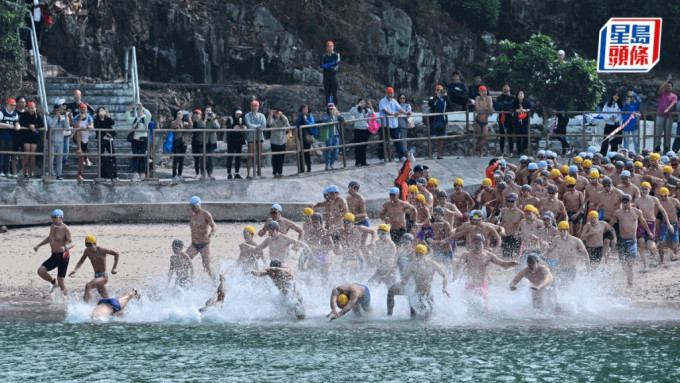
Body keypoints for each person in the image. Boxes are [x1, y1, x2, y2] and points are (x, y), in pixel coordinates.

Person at [453, 234, 517, 309]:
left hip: (481, 286)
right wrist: (455, 276)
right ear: (473, 243)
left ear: (483, 243)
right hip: (469, 285)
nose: (477, 245)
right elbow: (457, 267)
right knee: (467, 308)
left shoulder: (489, 256)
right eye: (475, 243)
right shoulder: (466, 255)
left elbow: (502, 264)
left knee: (485, 308)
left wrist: (511, 263)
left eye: (479, 243)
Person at [393, 244, 450, 318]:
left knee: (428, 318)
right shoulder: (413, 265)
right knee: (413, 317)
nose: (418, 256)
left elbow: (445, 276)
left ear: (425, 254)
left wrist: (444, 288)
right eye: (417, 254)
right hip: (416, 295)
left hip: (428, 294)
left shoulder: (432, 264)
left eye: (420, 254)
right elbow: (405, 280)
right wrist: (399, 288)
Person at [608, 193, 653, 286]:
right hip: (622, 240)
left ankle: (630, 282)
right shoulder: (618, 213)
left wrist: (649, 232)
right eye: (623, 202)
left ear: (631, 202)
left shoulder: (637, 212)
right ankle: (629, 275)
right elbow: (610, 225)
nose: (625, 204)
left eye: (626, 201)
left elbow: (644, 222)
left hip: (632, 241)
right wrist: (605, 234)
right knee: (623, 264)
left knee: (630, 264)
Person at [32, 209, 73, 297]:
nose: (53, 219)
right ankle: (54, 283)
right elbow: (49, 238)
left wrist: (65, 248)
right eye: (52, 217)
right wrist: (38, 245)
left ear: (61, 217)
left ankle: (67, 299)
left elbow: (72, 243)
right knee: (41, 271)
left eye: (55, 217)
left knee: (61, 282)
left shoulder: (66, 229)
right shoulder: (52, 227)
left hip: (63, 256)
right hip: (54, 255)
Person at [68, 235, 120, 302]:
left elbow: (116, 254)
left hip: (103, 276)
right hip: (96, 276)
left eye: (90, 245)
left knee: (88, 286)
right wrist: (75, 270)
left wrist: (114, 268)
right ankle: (116, 302)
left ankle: (84, 305)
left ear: (95, 243)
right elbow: (81, 261)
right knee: (106, 298)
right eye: (86, 245)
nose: (88, 247)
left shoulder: (102, 250)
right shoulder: (87, 251)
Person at [247, 221, 311, 263]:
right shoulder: (268, 240)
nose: (268, 232)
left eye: (269, 230)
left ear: (274, 230)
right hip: (272, 264)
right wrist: (246, 246)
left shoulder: (284, 238)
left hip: (282, 265)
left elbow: (298, 242)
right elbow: (257, 248)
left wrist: (308, 249)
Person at [186, 196, 217, 280]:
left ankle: (216, 282)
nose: (192, 207)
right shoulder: (192, 214)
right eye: (191, 205)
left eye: (194, 206)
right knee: (184, 261)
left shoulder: (205, 214)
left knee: (207, 267)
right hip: (194, 244)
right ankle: (186, 280)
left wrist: (210, 236)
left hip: (204, 244)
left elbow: (214, 226)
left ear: (199, 205)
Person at [379, 87, 410, 161]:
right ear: (386, 93)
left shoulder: (394, 101)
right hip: (385, 125)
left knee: (397, 141)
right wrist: (393, 114)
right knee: (383, 141)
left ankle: (401, 156)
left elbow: (399, 109)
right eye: (389, 93)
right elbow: (385, 111)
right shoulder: (382, 101)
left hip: (394, 125)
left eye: (391, 93)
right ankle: (382, 157)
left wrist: (406, 113)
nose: (390, 95)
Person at [16, 101, 42, 178]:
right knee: (26, 153)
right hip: (26, 136)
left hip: (34, 136)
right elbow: (21, 123)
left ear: (35, 108)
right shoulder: (24, 115)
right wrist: (29, 126)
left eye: (32, 108)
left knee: (33, 154)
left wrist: (35, 126)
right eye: (30, 108)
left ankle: (32, 171)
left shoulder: (38, 116)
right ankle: (25, 170)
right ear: (27, 108)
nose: (31, 109)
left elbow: (41, 124)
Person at [128, 103, 151, 181]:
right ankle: (135, 173)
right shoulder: (134, 119)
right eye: (137, 109)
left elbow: (149, 115)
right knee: (135, 156)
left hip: (143, 138)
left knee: (143, 156)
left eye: (140, 110)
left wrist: (143, 108)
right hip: (135, 138)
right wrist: (129, 110)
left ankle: (143, 173)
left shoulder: (145, 118)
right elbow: (127, 118)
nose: (138, 111)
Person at [195, 105, 220, 180]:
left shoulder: (214, 119)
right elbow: (200, 126)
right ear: (204, 112)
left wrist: (214, 118)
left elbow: (218, 127)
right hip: (203, 141)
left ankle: (210, 174)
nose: (208, 112)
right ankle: (203, 174)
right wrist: (205, 119)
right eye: (207, 111)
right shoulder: (201, 119)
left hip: (211, 141)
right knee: (202, 158)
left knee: (210, 158)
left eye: (209, 111)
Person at [94, 107, 117, 180]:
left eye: (102, 111)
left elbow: (112, 123)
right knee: (101, 156)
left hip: (108, 140)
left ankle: (115, 174)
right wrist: (106, 133)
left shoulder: (107, 119)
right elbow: (97, 128)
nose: (101, 112)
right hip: (101, 139)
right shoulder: (96, 120)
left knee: (113, 156)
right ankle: (101, 174)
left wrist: (108, 115)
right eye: (100, 111)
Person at [657, 187, 680, 262]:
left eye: (665, 196)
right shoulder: (659, 203)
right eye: (661, 196)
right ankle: (661, 260)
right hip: (664, 224)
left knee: (675, 243)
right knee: (662, 242)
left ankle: (674, 256)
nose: (663, 197)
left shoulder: (674, 201)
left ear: (668, 194)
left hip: (675, 224)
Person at [348, 98, 373, 167]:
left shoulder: (366, 110)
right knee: (358, 146)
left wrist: (370, 106)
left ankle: (363, 161)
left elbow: (372, 114)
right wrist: (357, 105)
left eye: (363, 103)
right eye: (361, 102)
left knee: (364, 146)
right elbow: (351, 112)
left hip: (365, 129)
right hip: (358, 129)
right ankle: (358, 162)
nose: (362, 104)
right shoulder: (356, 110)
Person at [245, 100, 266, 179]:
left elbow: (264, 125)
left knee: (259, 155)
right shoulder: (247, 115)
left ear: (258, 107)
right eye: (253, 106)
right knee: (250, 155)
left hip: (260, 137)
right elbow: (249, 125)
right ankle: (248, 173)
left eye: (255, 106)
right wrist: (258, 126)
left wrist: (256, 126)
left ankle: (259, 171)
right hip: (251, 137)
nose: (254, 107)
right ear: (251, 107)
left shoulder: (262, 115)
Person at [73, 103, 94, 182]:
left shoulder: (89, 117)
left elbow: (92, 126)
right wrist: (80, 119)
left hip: (85, 139)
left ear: (86, 110)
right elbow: (75, 126)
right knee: (78, 131)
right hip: (77, 138)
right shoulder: (76, 117)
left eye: (84, 109)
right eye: (81, 109)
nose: (82, 111)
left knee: (81, 159)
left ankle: (79, 174)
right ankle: (79, 149)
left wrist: (87, 127)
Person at [656, 75, 677, 152]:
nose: (668, 87)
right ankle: (657, 146)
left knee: (668, 132)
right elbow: (659, 89)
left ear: (672, 88)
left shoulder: (674, 96)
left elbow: (673, 103)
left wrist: (667, 109)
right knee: (658, 131)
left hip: (668, 116)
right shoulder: (662, 94)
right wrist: (666, 81)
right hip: (660, 115)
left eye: (670, 86)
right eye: (667, 86)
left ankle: (667, 147)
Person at [267, 107, 290, 178]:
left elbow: (286, 122)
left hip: (282, 141)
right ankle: (275, 172)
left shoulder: (282, 120)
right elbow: (268, 123)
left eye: (278, 112)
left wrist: (282, 115)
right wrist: (270, 115)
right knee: (275, 158)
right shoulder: (273, 120)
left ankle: (280, 172)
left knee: (281, 157)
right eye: (275, 112)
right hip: (274, 142)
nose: (277, 114)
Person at [0, 98, 21, 177]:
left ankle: (6, 171)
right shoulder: (2, 112)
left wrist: (17, 126)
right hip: (2, 136)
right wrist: (7, 126)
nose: (13, 107)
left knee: (8, 154)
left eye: (14, 105)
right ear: (7, 105)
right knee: (1, 154)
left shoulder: (15, 114)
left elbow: (16, 122)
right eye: (11, 105)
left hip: (10, 137)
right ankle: (0, 171)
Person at [224, 107, 246, 179]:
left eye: (239, 114)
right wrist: (233, 129)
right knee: (230, 157)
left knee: (238, 157)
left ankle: (237, 173)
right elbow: (227, 128)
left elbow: (244, 126)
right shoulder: (230, 119)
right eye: (237, 113)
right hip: (231, 140)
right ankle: (229, 173)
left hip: (239, 140)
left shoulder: (241, 119)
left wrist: (244, 127)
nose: (238, 115)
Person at [48, 104, 68, 179]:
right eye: (57, 111)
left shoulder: (63, 119)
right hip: (52, 141)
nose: (58, 112)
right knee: (51, 158)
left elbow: (67, 128)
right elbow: (51, 126)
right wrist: (56, 118)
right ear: (54, 111)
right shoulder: (51, 118)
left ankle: (58, 174)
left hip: (60, 141)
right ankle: (51, 173)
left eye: (60, 111)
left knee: (59, 158)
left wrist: (66, 118)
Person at [321, 103, 344, 170]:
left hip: (336, 135)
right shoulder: (326, 116)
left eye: (333, 109)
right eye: (330, 109)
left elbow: (343, 120)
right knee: (328, 150)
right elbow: (326, 121)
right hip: (329, 135)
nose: (331, 110)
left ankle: (332, 163)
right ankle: (327, 165)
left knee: (336, 150)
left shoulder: (337, 116)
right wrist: (331, 115)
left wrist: (338, 115)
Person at [427, 85, 448, 159]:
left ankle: (439, 154)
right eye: (438, 90)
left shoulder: (444, 99)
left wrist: (445, 96)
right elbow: (431, 104)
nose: (440, 91)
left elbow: (451, 105)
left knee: (441, 138)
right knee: (432, 139)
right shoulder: (432, 98)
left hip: (442, 121)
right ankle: (430, 154)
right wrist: (437, 96)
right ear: (435, 90)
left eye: (441, 90)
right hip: (434, 121)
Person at [171, 109, 191, 181]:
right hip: (176, 142)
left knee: (182, 159)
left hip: (183, 143)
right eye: (178, 113)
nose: (180, 115)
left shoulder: (184, 123)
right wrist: (178, 118)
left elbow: (190, 126)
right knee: (176, 159)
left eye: (181, 114)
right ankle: (174, 174)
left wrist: (189, 118)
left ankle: (180, 174)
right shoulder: (174, 121)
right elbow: (174, 126)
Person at [495, 84, 515, 156]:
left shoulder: (513, 97)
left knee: (510, 135)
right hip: (502, 118)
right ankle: (502, 152)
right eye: (504, 87)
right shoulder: (499, 97)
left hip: (510, 118)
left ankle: (511, 151)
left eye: (507, 87)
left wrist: (505, 106)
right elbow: (498, 107)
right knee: (502, 135)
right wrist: (505, 106)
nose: (505, 88)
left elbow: (512, 106)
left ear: (509, 88)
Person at [473, 86, 493, 156]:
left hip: (485, 121)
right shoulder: (477, 98)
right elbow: (477, 108)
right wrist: (486, 108)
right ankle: (480, 152)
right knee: (479, 137)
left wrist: (482, 108)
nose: (484, 93)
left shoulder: (489, 98)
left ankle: (476, 149)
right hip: (477, 120)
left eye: (485, 91)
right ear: (479, 92)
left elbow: (490, 108)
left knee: (485, 137)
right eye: (483, 91)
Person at [295, 104, 315, 173]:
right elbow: (295, 125)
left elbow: (312, 124)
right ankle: (301, 169)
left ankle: (309, 168)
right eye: (303, 109)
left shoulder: (310, 116)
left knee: (306, 153)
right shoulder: (299, 116)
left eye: (306, 109)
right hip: (300, 137)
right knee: (300, 153)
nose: (305, 111)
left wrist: (306, 120)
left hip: (307, 137)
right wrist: (295, 121)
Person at [511, 91, 532, 155]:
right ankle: (519, 151)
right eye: (519, 94)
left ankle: (524, 150)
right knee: (518, 137)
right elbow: (511, 108)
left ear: (524, 95)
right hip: (517, 121)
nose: (520, 95)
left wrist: (525, 110)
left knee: (525, 136)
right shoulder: (515, 101)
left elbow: (531, 108)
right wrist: (516, 110)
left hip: (525, 121)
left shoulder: (527, 101)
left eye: (521, 94)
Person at [320, 40, 340, 105]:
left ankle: (336, 107)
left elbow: (337, 62)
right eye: (328, 46)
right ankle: (328, 109)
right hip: (326, 76)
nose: (329, 48)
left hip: (333, 76)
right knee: (327, 94)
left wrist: (327, 65)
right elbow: (321, 65)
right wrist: (330, 65)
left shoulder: (336, 55)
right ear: (326, 48)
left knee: (335, 92)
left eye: (330, 46)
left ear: (333, 47)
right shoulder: (324, 56)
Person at [397, 93, 413, 159]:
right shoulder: (397, 105)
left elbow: (409, 112)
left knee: (404, 139)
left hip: (404, 124)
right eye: (401, 98)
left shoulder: (407, 105)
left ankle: (404, 154)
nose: (402, 99)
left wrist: (401, 113)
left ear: (405, 99)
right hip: (396, 124)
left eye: (403, 98)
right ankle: (399, 154)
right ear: (399, 99)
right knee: (396, 140)